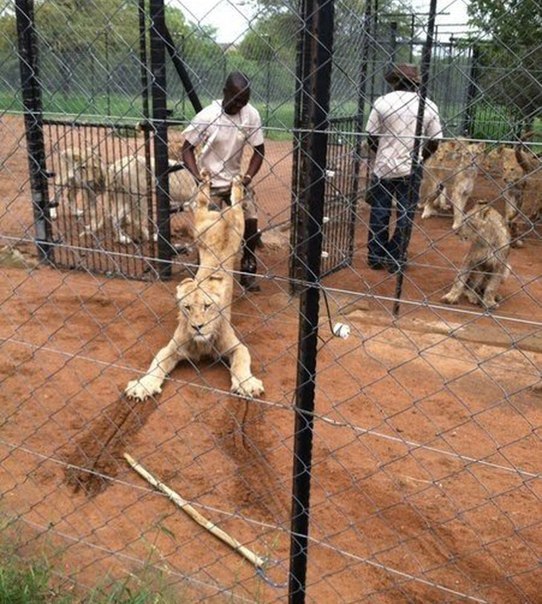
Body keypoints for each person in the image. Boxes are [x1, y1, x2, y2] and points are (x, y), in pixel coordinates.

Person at [181, 71, 265, 291]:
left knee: (251, 221)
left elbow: (259, 150)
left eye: (244, 101)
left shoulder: (251, 115)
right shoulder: (207, 116)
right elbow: (187, 149)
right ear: (225, 92)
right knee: (208, 229)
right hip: (209, 181)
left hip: (236, 181)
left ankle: (248, 265)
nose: (239, 105)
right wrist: (198, 176)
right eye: (235, 99)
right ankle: (203, 266)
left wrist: (247, 178)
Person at [365, 63, 442, 272]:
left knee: (380, 210)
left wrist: (382, 152)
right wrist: (420, 158)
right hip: (411, 166)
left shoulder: (382, 102)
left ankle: (375, 255)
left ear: (395, 82)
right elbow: (435, 141)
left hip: (384, 166)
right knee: (405, 213)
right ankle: (395, 256)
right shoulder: (428, 105)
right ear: (415, 83)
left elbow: (371, 136)